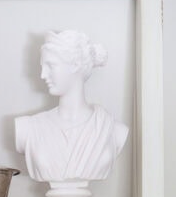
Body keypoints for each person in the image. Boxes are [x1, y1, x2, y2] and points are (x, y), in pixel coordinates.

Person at [15, 30, 128, 184]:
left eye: (50, 66)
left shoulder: (113, 129)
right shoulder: (28, 127)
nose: (42, 75)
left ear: (75, 65)